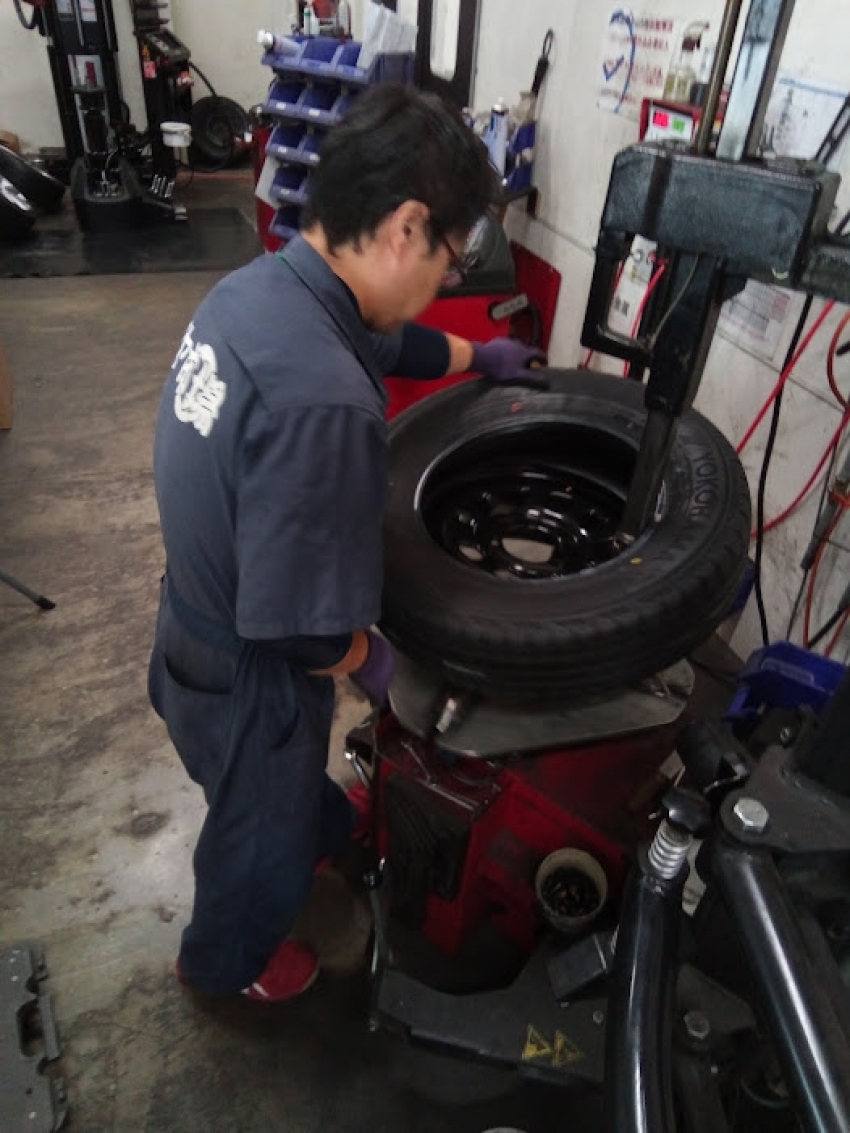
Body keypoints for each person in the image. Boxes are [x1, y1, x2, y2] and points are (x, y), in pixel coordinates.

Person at [148, 83, 546, 1004]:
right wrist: (375, 661)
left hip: (188, 630)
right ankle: (222, 965)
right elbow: (296, 629)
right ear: (406, 227)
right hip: (250, 679)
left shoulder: (264, 290)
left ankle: (323, 826)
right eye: (451, 256)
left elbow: (385, 344)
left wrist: (475, 359)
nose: (447, 281)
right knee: (257, 839)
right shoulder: (323, 402)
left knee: (284, 802)